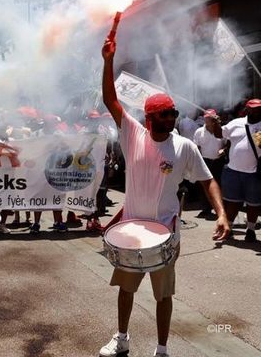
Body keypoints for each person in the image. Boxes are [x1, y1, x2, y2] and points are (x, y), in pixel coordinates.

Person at [99, 36, 230, 357]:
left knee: (163, 295)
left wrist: (223, 214)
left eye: (173, 113)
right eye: (166, 115)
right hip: (130, 230)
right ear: (150, 118)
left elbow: (208, 180)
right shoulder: (132, 134)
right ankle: (122, 337)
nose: (172, 119)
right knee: (126, 290)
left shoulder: (184, 146)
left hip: (165, 231)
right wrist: (107, 61)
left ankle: (161, 348)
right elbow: (110, 100)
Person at [212, 99, 261, 242]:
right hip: (233, 170)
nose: (256, 111)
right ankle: (230, 228)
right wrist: (216, 123)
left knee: (254, 203)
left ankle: (250, 230)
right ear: (247, 109)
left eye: (259, 109)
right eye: (253, 109)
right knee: (232, 202)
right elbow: (219, 134)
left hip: (254, 172)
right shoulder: (236, 123)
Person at [193, 109, 227, 219]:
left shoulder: (221, 131)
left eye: (211, 118)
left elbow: (227, 144)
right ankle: (206, 209)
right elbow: (196, 147)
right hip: (205, 161)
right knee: (204, 185)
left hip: (218, 161)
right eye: (207, 118)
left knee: (219, 185)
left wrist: (223, 150)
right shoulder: (199, 131)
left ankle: (220, 209)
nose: (208, 120)